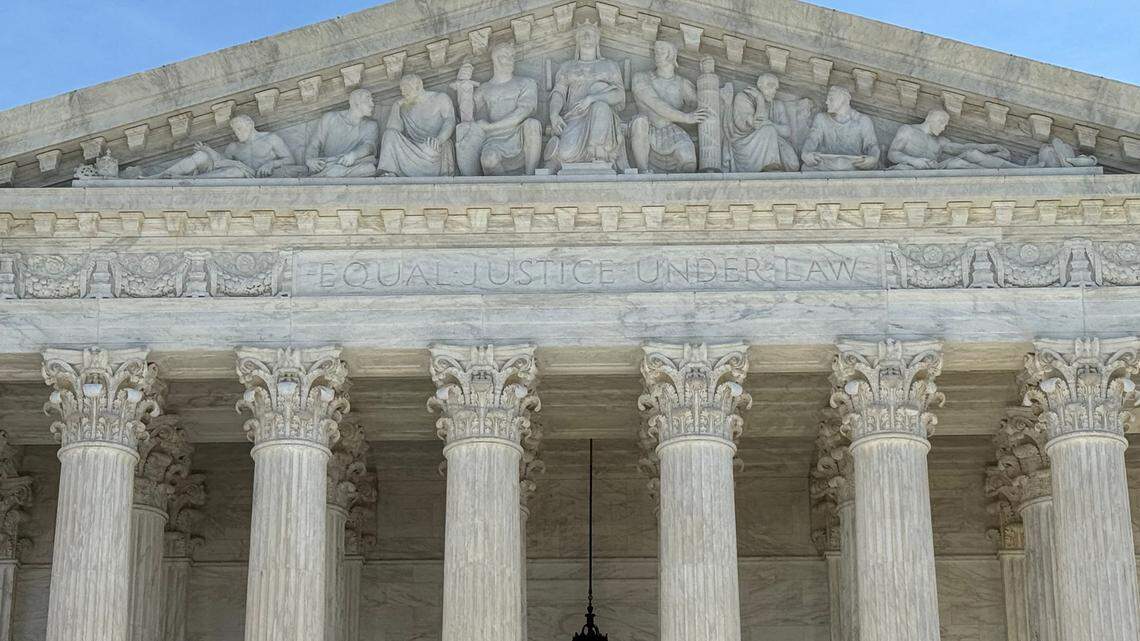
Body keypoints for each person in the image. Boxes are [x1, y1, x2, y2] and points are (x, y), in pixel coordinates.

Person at [543, 20, 628, 172]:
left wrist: (591, 99)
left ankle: (598, 151)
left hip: (604, 119)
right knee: (565, 154)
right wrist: (554, 114)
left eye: (591, 34)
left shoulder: (609, 66)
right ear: (577, 40)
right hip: (575, 116)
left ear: (597, 39)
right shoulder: (567, 67)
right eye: (583, 34)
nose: (587, 37)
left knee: (600, 106)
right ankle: (558, 152)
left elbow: (620, 96)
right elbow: (559, 93)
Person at [455, 42, 542, 176]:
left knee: (533, 124)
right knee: (488, 160)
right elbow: (467, 117)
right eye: (505, 56)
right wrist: (463, 85)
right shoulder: (484, 89)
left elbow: (523, 113)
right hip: (494, 140)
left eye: (512, 56)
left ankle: (530, 178)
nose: (510, 60)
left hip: (519, 135)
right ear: (494, 60)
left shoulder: (526, 83)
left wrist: (490, 127)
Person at [629, 41, 710, 173]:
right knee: (640, 122)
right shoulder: (641, 78)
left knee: (689, 161)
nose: (657, 54)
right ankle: (643, 172)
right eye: (656, 51)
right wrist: (687, 117)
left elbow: (703, 107)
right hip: (647, 130)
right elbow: (655, 103)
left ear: (672, 54)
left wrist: (723, 101)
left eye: (662, 50)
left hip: (671, 131)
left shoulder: (683, 84)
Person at [149, 115, 299, 179]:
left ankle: (191, 180)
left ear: (251, 124)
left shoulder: (270, 138)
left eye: (240, 128)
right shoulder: (233, 147)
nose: (237, 133)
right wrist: (208, 150)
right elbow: (221, 164)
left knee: (236, 172)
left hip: (253, 176)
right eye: (235, 130)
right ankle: (159, 176)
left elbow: (290, 159)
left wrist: (271, 164)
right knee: (201, 156)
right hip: (235, 171)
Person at [377, 74, 457, 177]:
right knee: (389, 134)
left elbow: (450, 121)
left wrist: (439, 139)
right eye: (401, 90)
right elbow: (393, 129)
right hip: (411, 147)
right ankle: (389, 173)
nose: (403, 93)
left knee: (430, 149)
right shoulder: (404, 108)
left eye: (406, 89)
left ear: (418, 86)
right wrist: (396, 106)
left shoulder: (440, 98)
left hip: (433, 146)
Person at [888, 109, 1019, 170]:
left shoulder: (939, 141)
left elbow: (963, 148)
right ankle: (991, 177)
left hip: (935, 168)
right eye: (941, 123)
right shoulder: (908, 130)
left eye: (945, 125)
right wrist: (914, 161)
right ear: (929, 118)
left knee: (972, 153)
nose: (943, 128)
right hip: (911, 168)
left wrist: (992, 146)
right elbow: (892, 154)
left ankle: (1014, 170)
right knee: (956, 163)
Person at [727, 73, 800, 172]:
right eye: (770, 86)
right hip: (746, 144)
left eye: (776, 88)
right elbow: (756, 124)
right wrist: (760, 101)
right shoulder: (743, 98)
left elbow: (786, 131)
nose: (774, 91)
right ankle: (772, 168)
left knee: (794, 164)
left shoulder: (778, 105)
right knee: (768, 130)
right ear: (759, 86)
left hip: (773, 141)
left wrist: (770, 123)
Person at [801, 86, 881, 172]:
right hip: (828, 164)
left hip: (855, 165)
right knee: (806, 168)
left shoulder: (863, 120)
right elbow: (812, 139)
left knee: (873, 167)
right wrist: (805, 153)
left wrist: (874, 158)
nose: (826, 102)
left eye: (831, 99)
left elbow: (871, 145)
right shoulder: (821, 119)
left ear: (843, 99)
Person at [305, 88, 380, 178]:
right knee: (331, 168)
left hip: (353, 164)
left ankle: (333, 172)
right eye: (368, 100)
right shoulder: (330, 118)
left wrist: (353, 155)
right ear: (356, 103)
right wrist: (309, 160)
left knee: (369, 168)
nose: (372, 105)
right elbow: (315, 143)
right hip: (328, 163)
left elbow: (369, 146)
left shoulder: (371, 125)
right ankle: (332, 171)